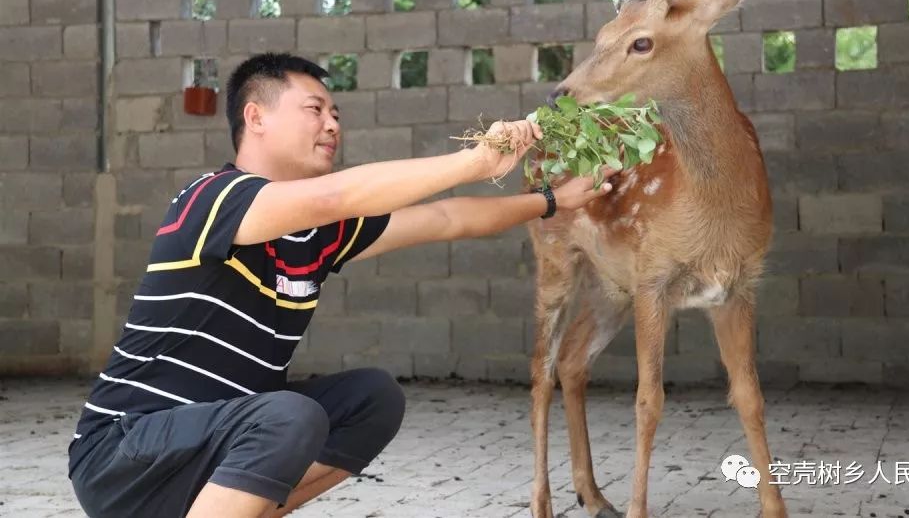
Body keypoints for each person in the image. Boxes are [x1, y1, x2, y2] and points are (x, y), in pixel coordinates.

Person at [67, 52, 616, 518]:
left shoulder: (321, 233)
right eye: (314, 109)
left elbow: (446, 220)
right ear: (254, 117)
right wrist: (475, 159)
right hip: (122, 451)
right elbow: (338, 195)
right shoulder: (214, 199)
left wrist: (552, 201)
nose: (332, 123)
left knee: (370, 399)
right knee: (288, 414)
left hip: (209, 442)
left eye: (336, 113)